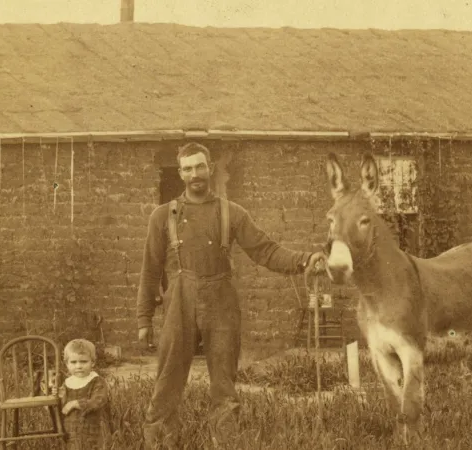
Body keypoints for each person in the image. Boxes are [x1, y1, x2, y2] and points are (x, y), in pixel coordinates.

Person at [136, 142, 327, 449]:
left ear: (210, 168)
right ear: (180, 172)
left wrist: (304, 259)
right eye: (187, 168)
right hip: (179, 301)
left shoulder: (232, 213)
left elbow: (266, 251)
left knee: (224, 381)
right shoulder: (162, 216)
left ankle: (224, 442)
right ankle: (159, 443)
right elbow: (150, 270)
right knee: (168, 378)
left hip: (221, 299)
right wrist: (143, 318)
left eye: (200, 166)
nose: (195, 174)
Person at [59, 338, 112, 449]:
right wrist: (59, 396)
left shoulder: (96, 381)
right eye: (73, 362)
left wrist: (75, 403)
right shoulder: (67, 383)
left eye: (83, 361)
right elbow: (62, 407)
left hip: (93, 428)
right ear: (67, 364)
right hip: (71, 429)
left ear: (92, 362)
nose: (78, 366)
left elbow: (98, 401)